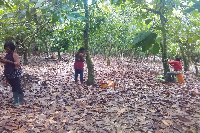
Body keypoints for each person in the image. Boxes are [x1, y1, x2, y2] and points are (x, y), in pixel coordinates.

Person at [0, 42, 24, 106]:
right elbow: (5, 62)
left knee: (17, 86)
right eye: (6, 49)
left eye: (8, 49)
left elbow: (17, 63)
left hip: (14, 72)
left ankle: (20, 101)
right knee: (13, 86)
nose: (7, 50)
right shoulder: (7, 55)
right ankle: (15, 100)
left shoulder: (14, 54)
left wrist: (7, 61)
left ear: (11, 48)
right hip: (9, 73)